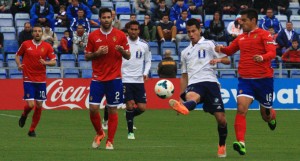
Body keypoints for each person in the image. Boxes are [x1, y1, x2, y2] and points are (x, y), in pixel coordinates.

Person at [215, 8, 277, 156]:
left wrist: (262, 57)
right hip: (245, 80)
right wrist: (220, 48)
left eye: (244, 20)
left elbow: (272, 52)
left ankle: (271, 117)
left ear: (253, 20)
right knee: (241, 109)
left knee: (265, 115)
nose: (241, 23)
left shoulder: (264, 34)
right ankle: (241, 143)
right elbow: (230, 50)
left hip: (264, 80)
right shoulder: (241, 37)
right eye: (240, 20)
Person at [169, 18, 230, 158]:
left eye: (193, 31)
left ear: (199, 30)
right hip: (195, 83)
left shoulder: (209, 44)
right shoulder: (185, 52)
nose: (191, 34)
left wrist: (218, 60)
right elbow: (184, 76)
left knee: (221, 119)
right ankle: (183, 106)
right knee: (192, 96)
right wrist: (180, 96)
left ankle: (222, 145)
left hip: (211, 83)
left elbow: (227, 59)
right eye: (188, 32)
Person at [85, 7, 130, 150]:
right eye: (103, 17)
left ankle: (110, 141)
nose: (106, 19)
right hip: (98, 79)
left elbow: (128, 56)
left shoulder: (120, 35)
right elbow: (87, 56)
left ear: (112, 18)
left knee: (112, 110)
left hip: (115, 79)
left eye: (108, 17)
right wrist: (97, 53)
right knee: (93, 109)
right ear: (99, 19)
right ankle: (99, 133)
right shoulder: (93, 36)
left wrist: (122, 51)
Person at [16, 24, 57, 137]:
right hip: (28, 78)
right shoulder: (26, 44)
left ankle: (31, 130)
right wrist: (19, 65)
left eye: (39, 31)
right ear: (32, 33)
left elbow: (54, 61)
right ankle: (24, 115)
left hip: (41, 80)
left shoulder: (47, 46)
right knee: (30, 105)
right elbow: (17, 55)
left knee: (39, 105)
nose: (37, 33)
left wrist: (46, 63)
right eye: (35, 31)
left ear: (42, 33)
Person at [122, 20, 151, 139]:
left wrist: (145, 72)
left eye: (136, 29)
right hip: (125, 79)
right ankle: (130, 132)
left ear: (139, 30)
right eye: (131, 29)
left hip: (138, 80)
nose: (133, 31)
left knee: (142, 108)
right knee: (130, 104)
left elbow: (148, 61)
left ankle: (129, 116)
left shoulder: (144, 45)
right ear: (128, 30)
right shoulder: (123, 43)